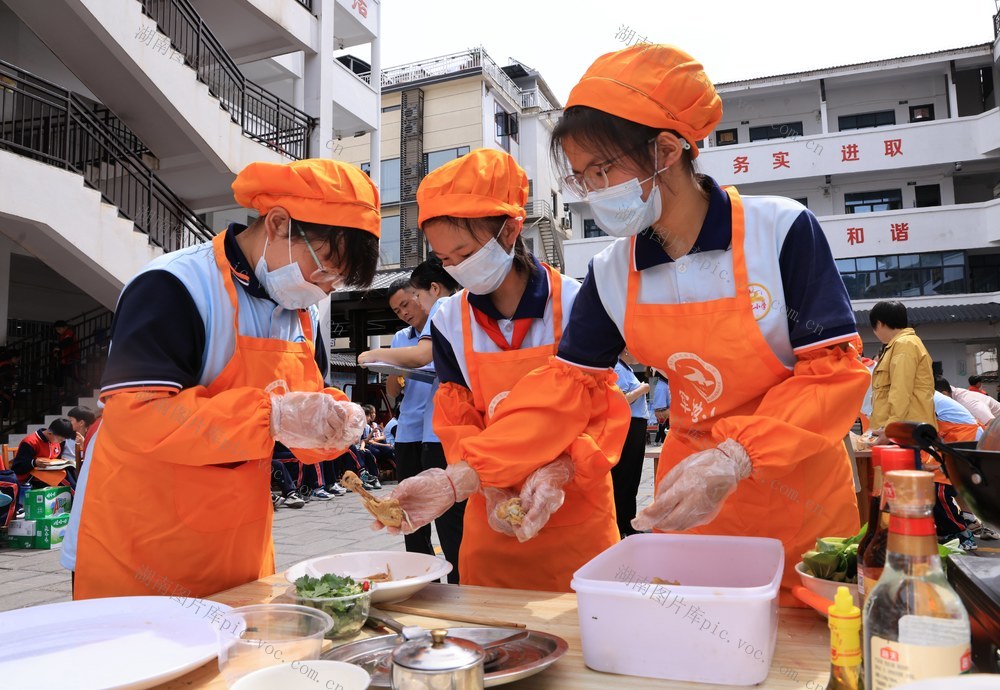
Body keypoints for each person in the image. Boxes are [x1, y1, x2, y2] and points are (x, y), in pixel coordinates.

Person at [400, 48, 869, 603]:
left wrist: (735, 456)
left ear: (666, 150)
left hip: (801, 502)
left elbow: (832, 376)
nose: (594, 191)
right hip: (689, 499)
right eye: (581, 177)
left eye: (602, 170)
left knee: (812, 641)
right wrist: (464, 475)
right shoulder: (613, 272)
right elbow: (565, 392)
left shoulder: (781, 230)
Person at [67, 158, 378, 600]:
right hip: (142, 545)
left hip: (239, 544)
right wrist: (270, 417)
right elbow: (138, 416)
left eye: (338, 281)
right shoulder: (174, 285)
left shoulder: (302, 314)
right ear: (278, 223)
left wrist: (331, 423)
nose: (327, 287)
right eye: (326, 267)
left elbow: (299, 423)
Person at [372, 148, 629, 592]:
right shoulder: (449, 320)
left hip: (577, 515)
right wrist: (488, 485)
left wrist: (562, 469)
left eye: (465, 252)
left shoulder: (577, 303)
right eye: (445, 260)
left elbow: (601, 414)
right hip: (491, 520)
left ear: (510, 230)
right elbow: (457, 421)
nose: (457, 267)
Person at [363, 258, 465, 583]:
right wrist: (396, 373)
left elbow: (423, 356)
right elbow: (395, 389)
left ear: (427, 291)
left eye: (410, 302)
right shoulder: (402, 336)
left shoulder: (444, 307)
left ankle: (458, 580)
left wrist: (375, 354)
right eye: (397, 310)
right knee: (410, 509)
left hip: (439, 428)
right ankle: (426, 577)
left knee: (446, 512)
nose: (406, 311)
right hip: (415, 429)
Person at [868, 301, 936, 440]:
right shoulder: (900, 345)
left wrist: (891, 430)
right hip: (901, 431)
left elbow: (901, 391)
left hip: (904, 434)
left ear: (879, 324)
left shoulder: (904, 345)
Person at [612, 352, 650, 538]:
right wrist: (642, 389)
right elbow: (621, 399)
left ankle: (629, 522)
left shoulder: (626, 369)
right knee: (624, 476)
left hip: (637, 424)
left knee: (633, 476)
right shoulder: (617, 367)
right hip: (629, 424)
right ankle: (619, 524)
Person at [12, 418, 76, 491]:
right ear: (50, 433)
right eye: (60, 440)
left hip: (49, 476)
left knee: (71, 471)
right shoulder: (31, 442)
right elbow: (17, 467)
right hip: (31, 480)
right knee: (67, 482)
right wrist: (34, 462)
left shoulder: (55, 441)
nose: (60, 442)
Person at [651, 373, 670, 445]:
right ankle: (659, 441)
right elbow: (660, 413)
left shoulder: (666, 385)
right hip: (667, 421)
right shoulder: (662, 387)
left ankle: (659, 441)